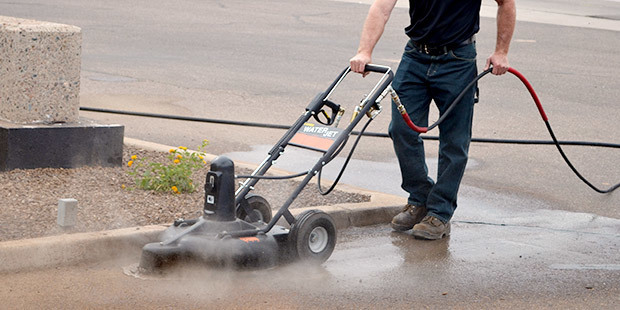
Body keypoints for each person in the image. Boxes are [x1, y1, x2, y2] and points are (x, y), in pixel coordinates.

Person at [350, 0, 516, 240]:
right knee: (401, 129)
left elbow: (507, 3)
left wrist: (502, 51)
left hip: (458, 59)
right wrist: (365, 50)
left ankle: (440, 213)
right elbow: (381, 7)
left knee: (454, 140)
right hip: (415, 56)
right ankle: (419, 198)